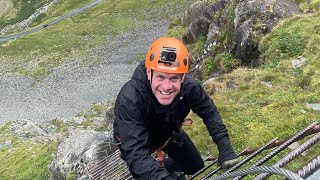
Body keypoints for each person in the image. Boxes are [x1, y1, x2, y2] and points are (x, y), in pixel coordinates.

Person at [113, 37, 238, 179]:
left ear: (183, 77)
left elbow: (209, 112)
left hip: (167, 133)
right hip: (135, 143)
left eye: (174, 78)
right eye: (160, 77)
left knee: (195, 165)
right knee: (143, 170)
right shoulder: (130, 99)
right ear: (149, 73)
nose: (166, 87)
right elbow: (136, 155)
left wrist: (224, 145)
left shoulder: (190, 88)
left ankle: (165, 167)